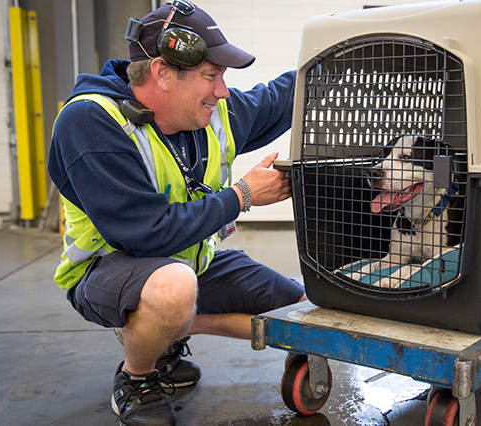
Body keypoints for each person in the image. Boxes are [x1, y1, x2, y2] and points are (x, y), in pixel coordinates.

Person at [47, 2, 306, 425]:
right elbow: (146, 233)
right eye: (211, 76)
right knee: (172, 290)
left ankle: (176, 328)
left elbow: (277, 99)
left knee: (302, 305)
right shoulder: (93, 122)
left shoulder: (212, 113)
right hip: (106, 271)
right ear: (163, 72)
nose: (222, 91)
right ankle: (138, 377)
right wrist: (242, 195)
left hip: (192, 260)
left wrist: (334, 56)